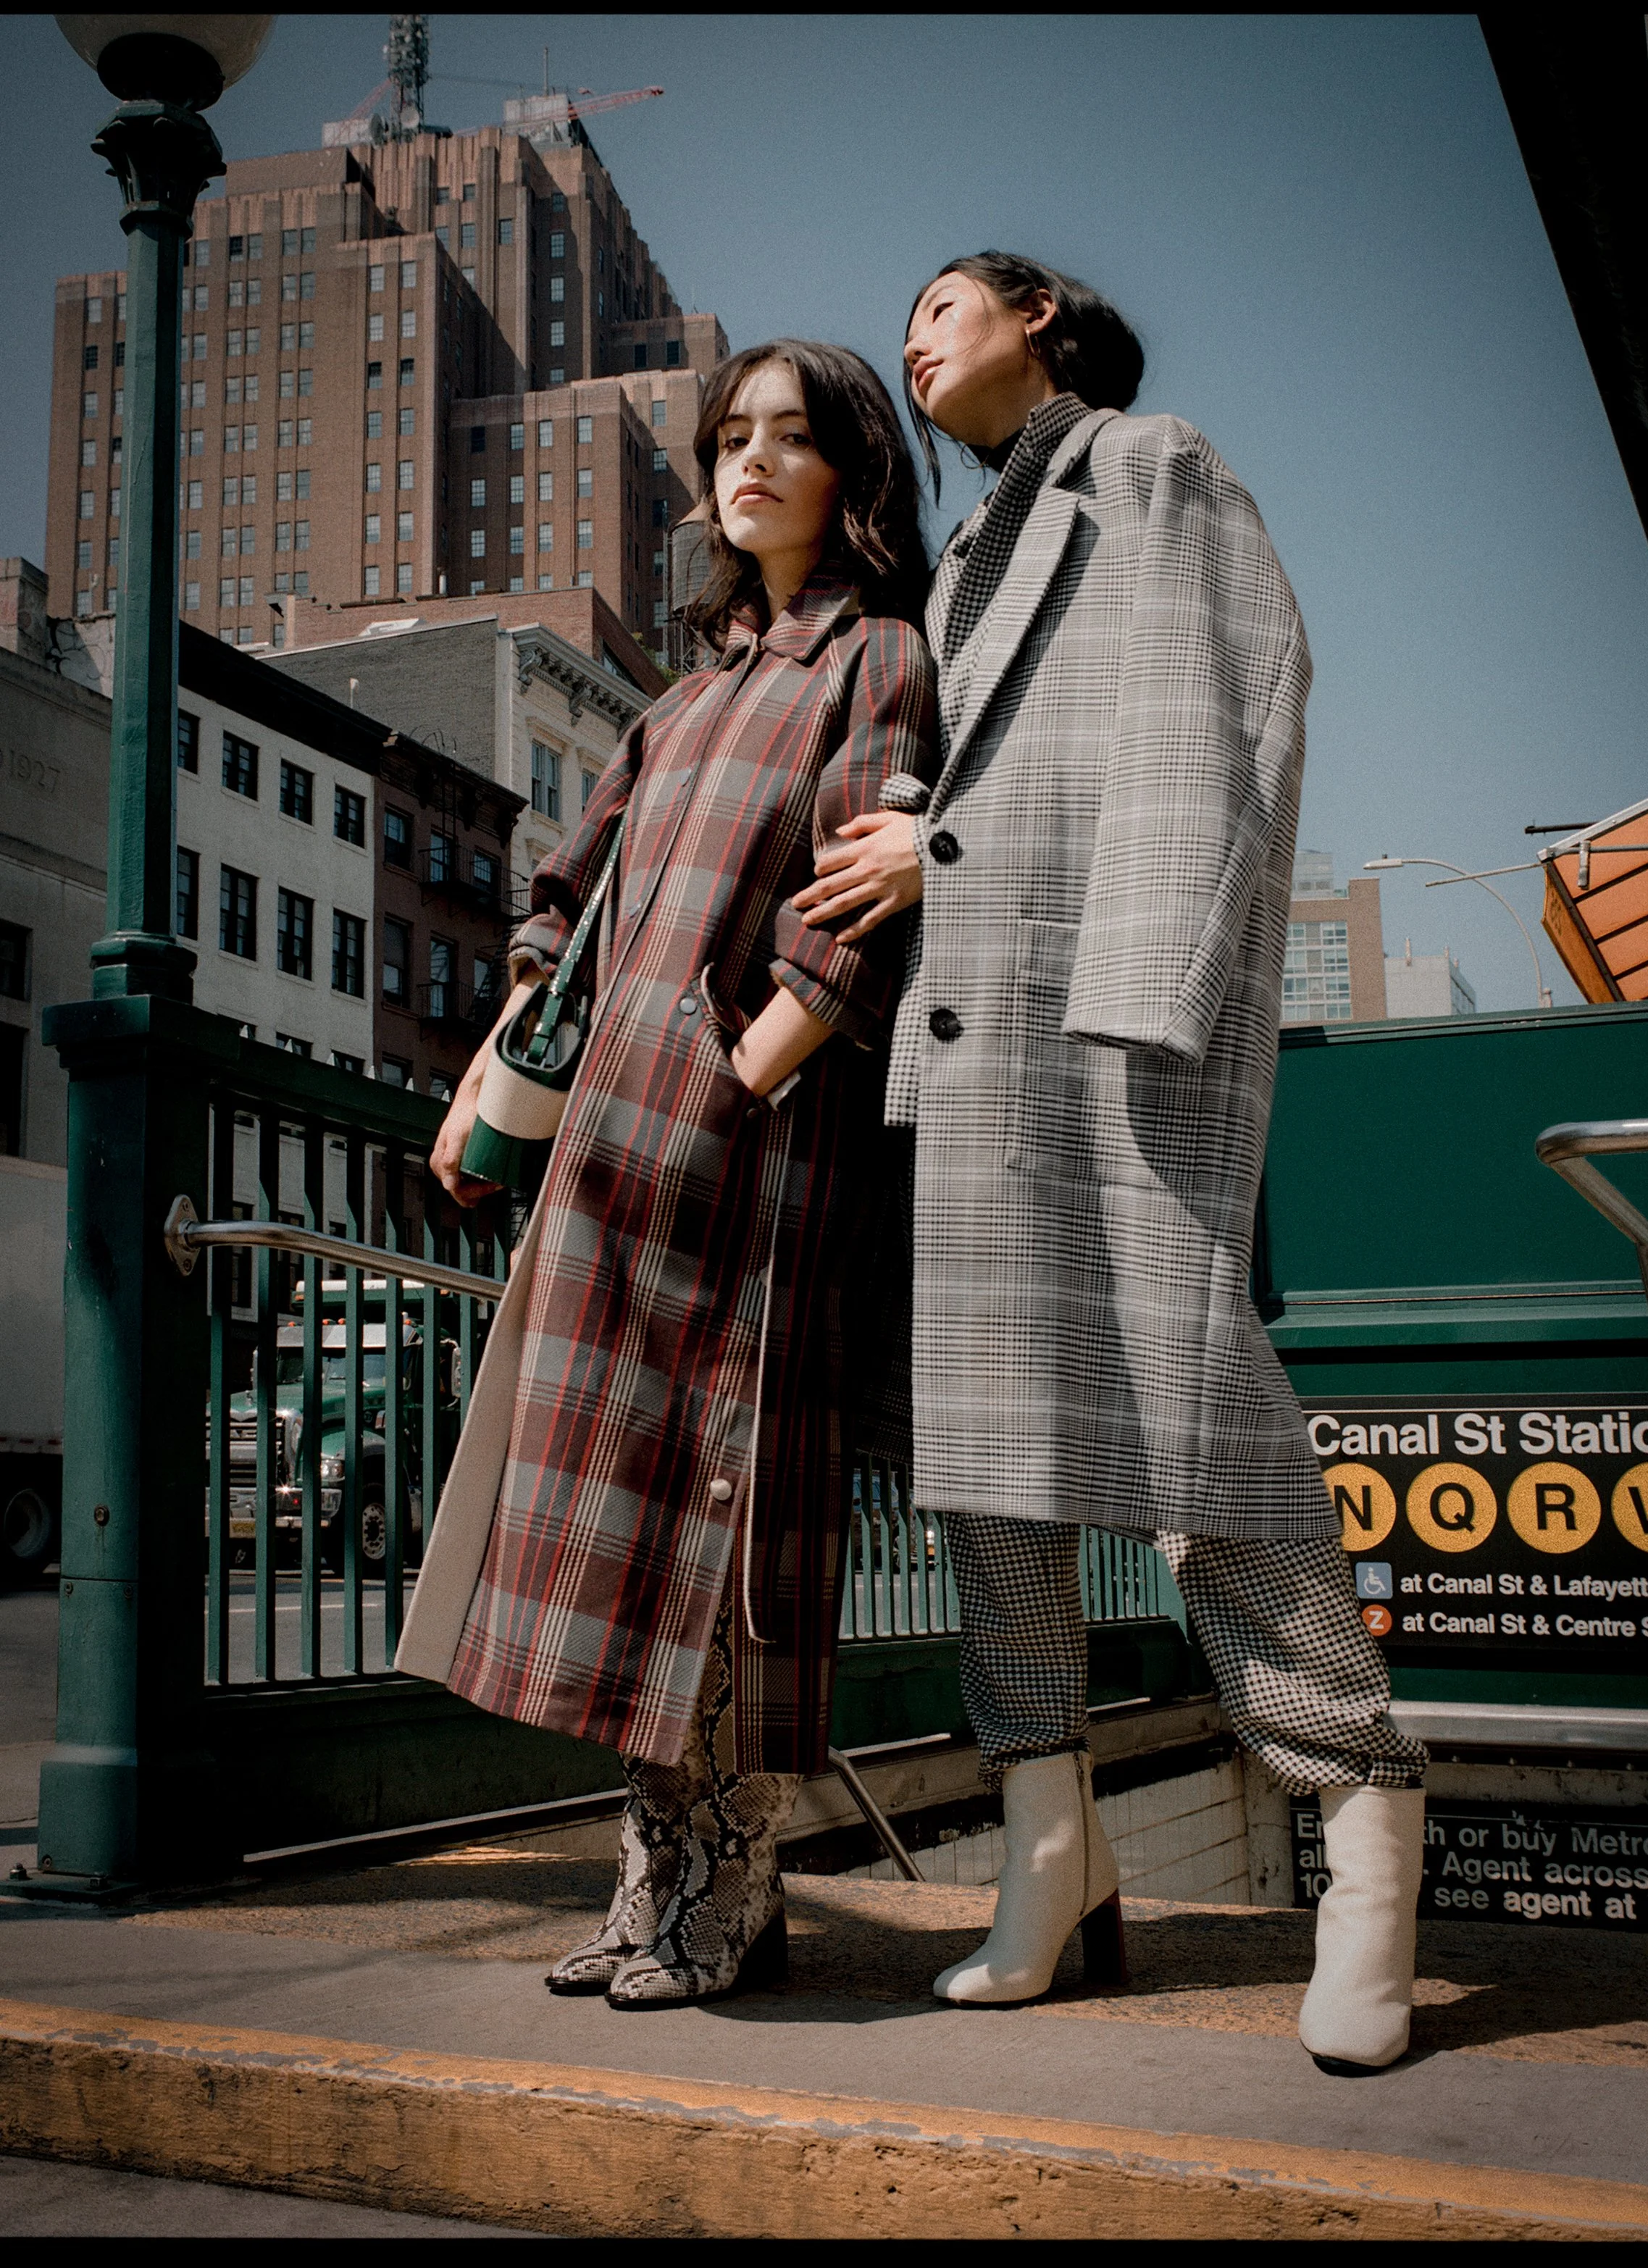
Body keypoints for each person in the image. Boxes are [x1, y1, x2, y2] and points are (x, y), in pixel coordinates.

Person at [792, 254, 1429, 2070]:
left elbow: (1229, 712)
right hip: (965, 1053)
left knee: (1191, 1424)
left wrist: (983, 879)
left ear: (1042, 320)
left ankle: (1364, 1832)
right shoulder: (965, 555)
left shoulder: (1149, 467)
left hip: (1104, 1021)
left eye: (946, 303)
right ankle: (1048, 1855)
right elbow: (1009, 769)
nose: (914, 335)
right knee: (982, 1473)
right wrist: (932, 834)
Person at [398, 340, 936, 2009]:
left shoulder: (884, 660)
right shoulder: (681, 697)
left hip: (754, 1157)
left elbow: (863, 905)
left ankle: (727, 1877)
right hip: (612, 1150)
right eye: (730, 439)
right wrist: (508, 1051)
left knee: (724, 1512)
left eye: (792, 436)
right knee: (618, 1527)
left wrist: (740, 1071)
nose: (753, 463)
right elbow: (556, 894)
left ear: (852, 470)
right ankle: (658, 1868)